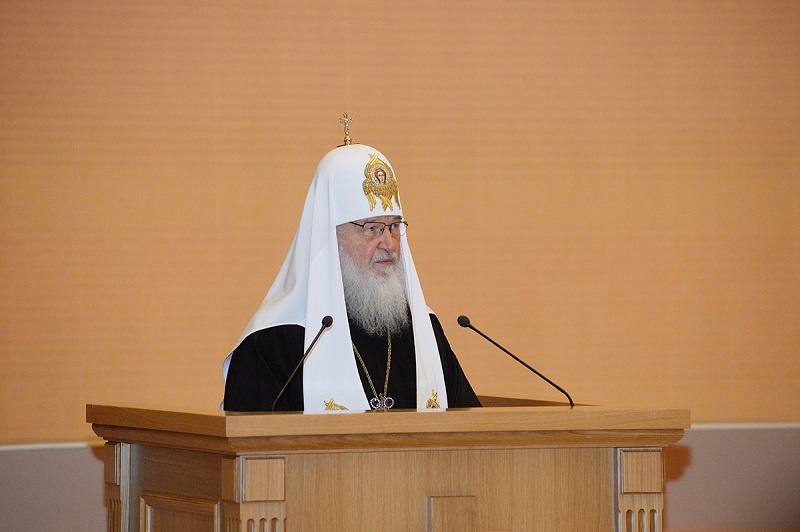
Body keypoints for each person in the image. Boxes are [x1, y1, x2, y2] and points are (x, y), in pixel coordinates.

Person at [222, 139, 480, 412]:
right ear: (329, 238)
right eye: (372, 228)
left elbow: (471, 427)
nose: (389, 244)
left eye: (394, 227)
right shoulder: (273, 343)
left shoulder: (423, 329)